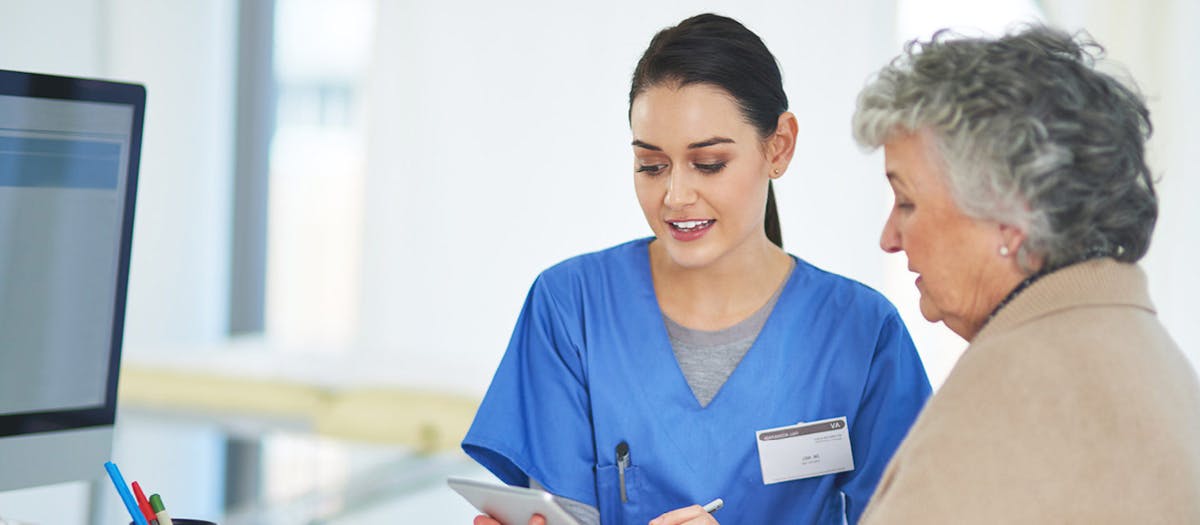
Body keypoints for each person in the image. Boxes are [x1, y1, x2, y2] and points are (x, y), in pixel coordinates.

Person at [461, 13, 931, 525]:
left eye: (708, 163)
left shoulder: (862, 332)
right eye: (651, 166)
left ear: (779, 147)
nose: (676, 197)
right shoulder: (571, 309)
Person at [850, 26, 1200, 522]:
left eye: (907, 201)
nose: (890, 236)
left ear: (1010, 216)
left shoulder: (1007, 397)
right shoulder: (1151, 358)